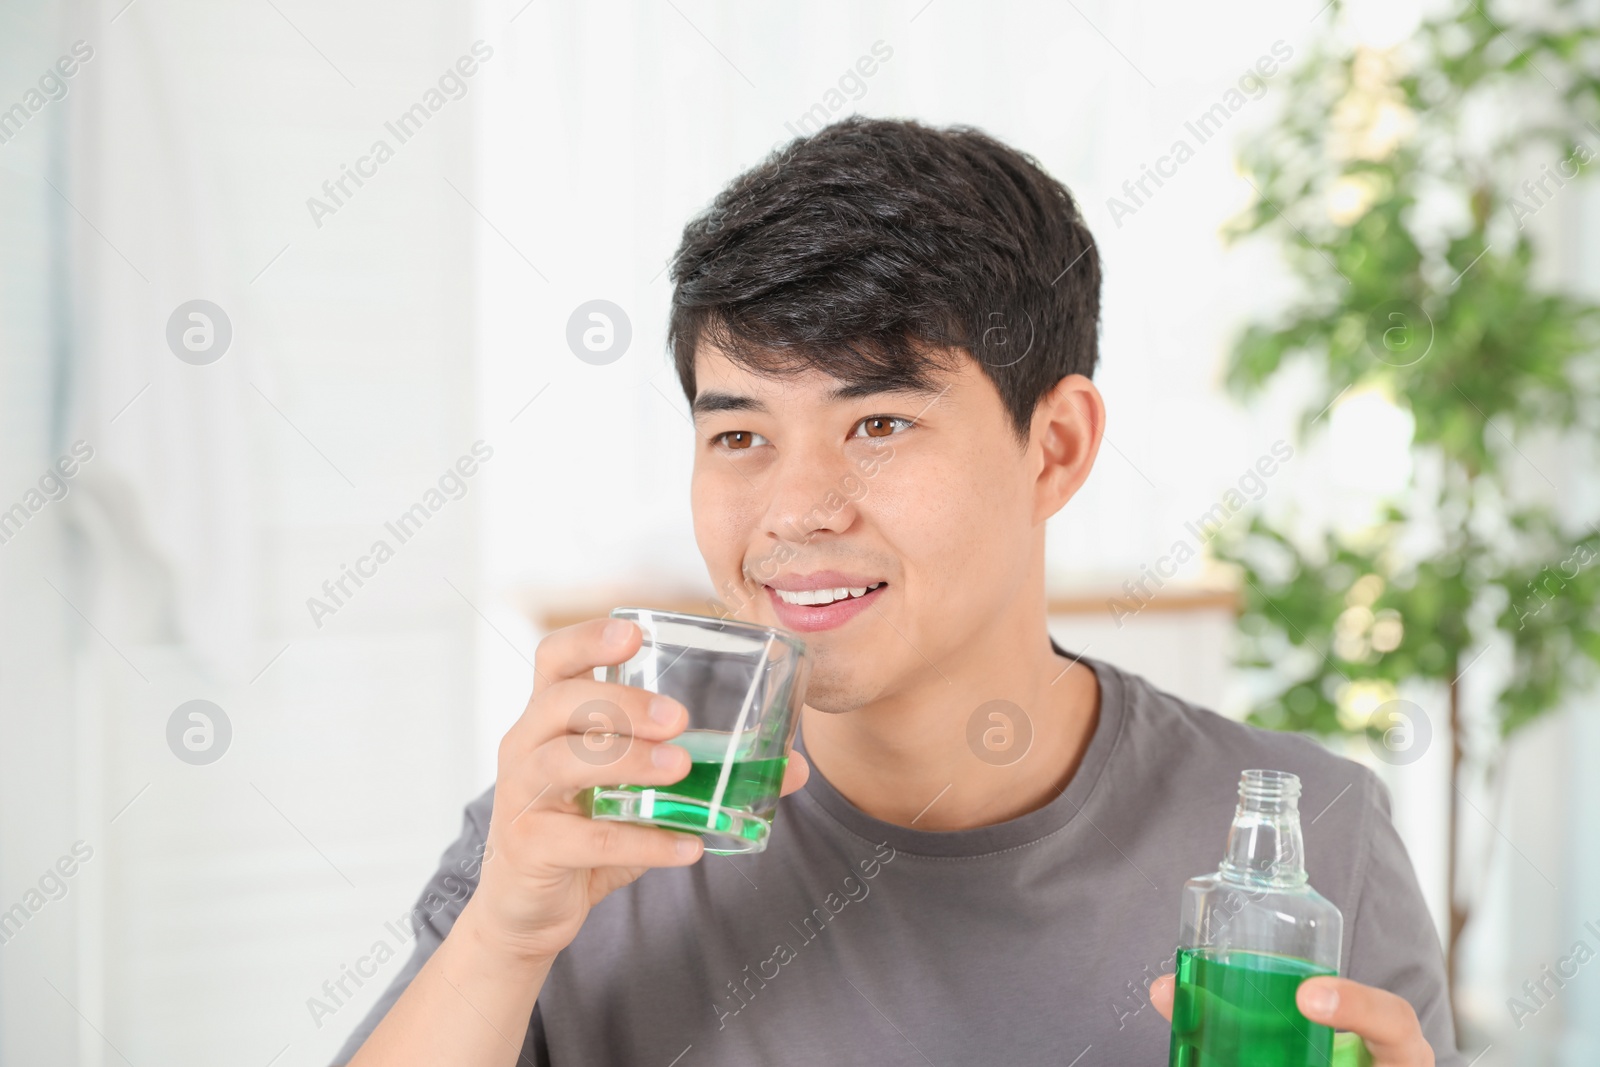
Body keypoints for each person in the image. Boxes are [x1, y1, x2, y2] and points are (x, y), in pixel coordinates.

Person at [334, 117, 1459, 1066]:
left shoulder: (1309, 838)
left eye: (878, 423)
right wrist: (502, 939)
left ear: (1054, 446)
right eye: (738, 432)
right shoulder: (583, 828)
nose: (795, 509)